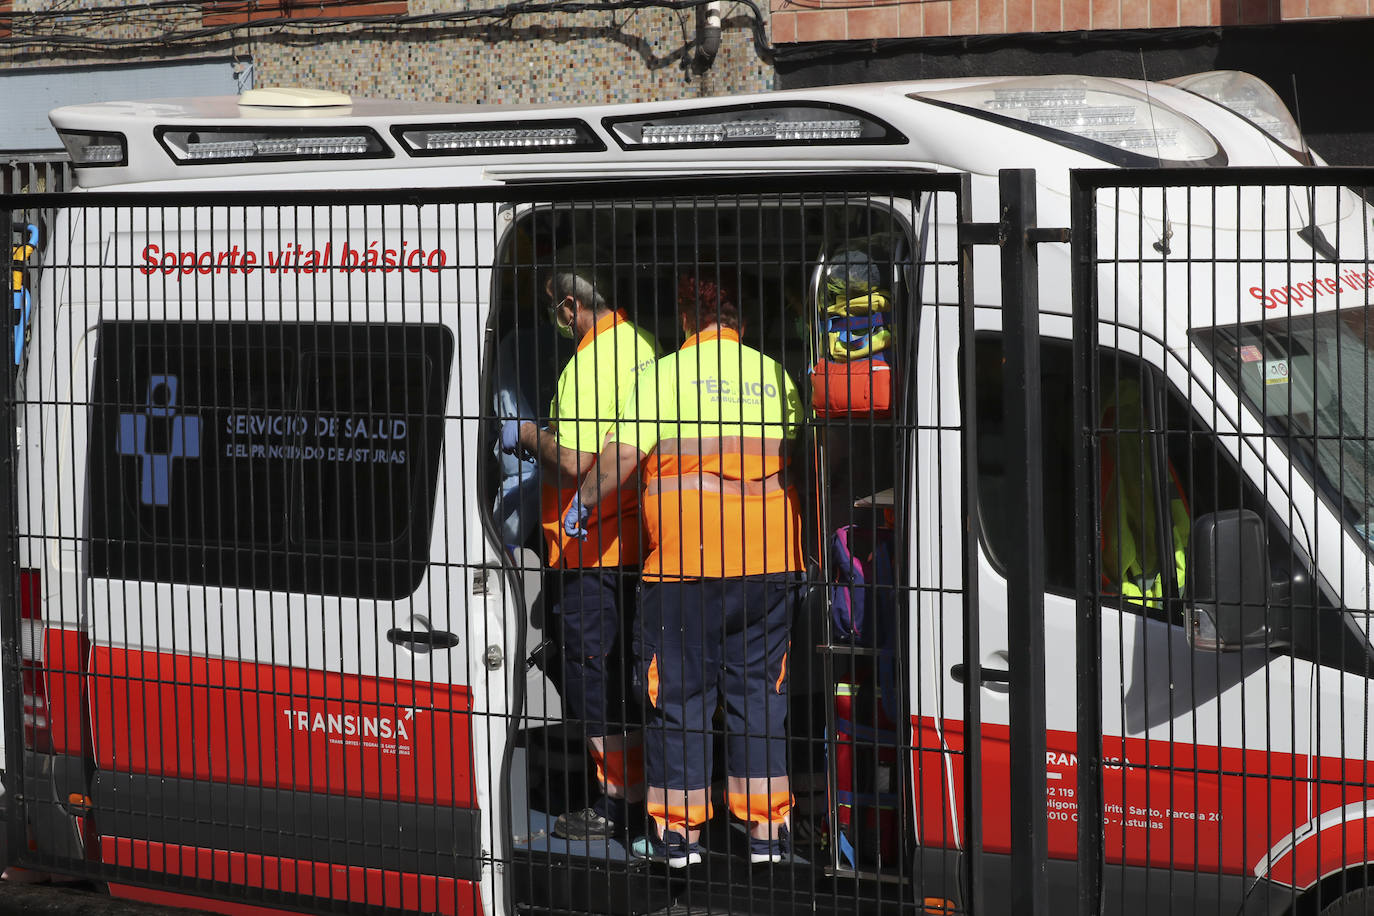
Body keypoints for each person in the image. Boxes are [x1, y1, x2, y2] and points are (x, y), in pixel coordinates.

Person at [569, 270, 805, 867]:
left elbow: (619, 458)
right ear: (741, 321)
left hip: (683, 570)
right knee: (759, 697)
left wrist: (582, 505)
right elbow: (802, 457)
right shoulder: (775, 375)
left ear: (683, 320)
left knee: (680, 699)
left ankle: (678, 839)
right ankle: (767, 837)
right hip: (770, 568)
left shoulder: (662, 376)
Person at [499, 267, 660, 841]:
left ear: (570, 305)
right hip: (633, 543)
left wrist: (529, 436)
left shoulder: (590, 362)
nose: (555, 319)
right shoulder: (640, 343)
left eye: (554, 308)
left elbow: (579, 462)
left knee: (594, 680)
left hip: (592, 547)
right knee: (622, 677)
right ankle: (635, 795)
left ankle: (618, 803)